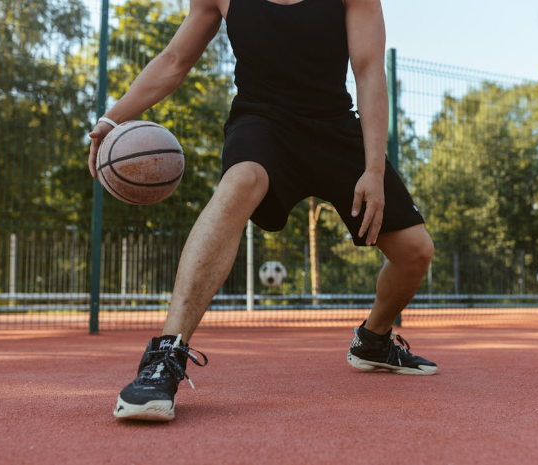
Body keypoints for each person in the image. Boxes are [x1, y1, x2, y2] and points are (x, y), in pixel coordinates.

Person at [89, 0, 437, 422]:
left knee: (416, 252)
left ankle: (373, 340)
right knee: (240, 181)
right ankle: (164, 356)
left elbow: (368, 71)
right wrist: (111, 119)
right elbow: (174, 60)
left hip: (333, 127)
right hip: (262, 122)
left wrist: (374, 170)